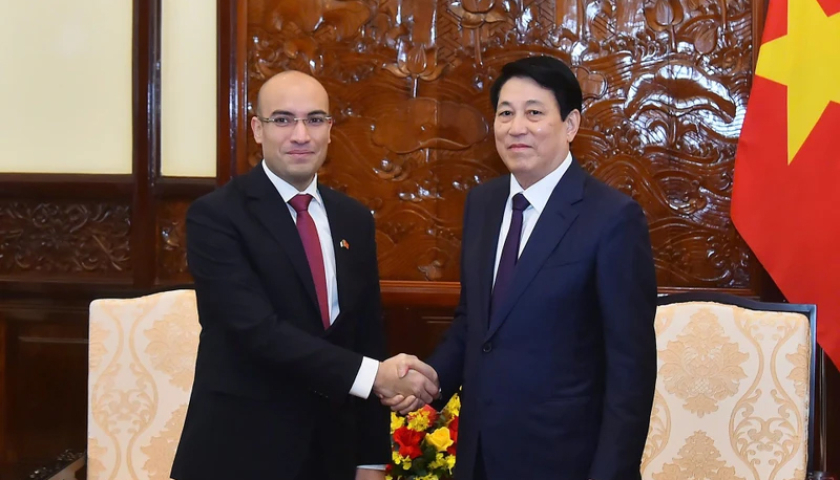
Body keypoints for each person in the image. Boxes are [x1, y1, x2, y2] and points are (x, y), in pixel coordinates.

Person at [384, 56, 658, 480]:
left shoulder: (612, 218)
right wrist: (430, 380)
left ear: (570, 125)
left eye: (534, 113)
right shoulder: (483, 204)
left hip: (565, 461)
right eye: (505, 113)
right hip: (480, 456)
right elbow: (475, 323)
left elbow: (631, 371)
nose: (516, 127)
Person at [171, 70, 439, 480]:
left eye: (314, 120)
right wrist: (374, 376)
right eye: (283, 120)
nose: (301, 135)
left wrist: (370, 459)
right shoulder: (216, 216)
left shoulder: (354, 219)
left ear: (330, 130)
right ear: (257, 129)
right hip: (240, 453)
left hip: (331, 454)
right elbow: (257, 331)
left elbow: (366, 337)